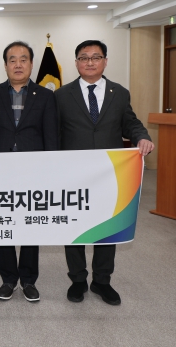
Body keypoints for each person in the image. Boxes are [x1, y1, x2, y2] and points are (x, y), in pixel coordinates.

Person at [55, 40, 154, 306]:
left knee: (107, 227)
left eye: (96, 57)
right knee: (74, 227)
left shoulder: (119, 93)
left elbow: (130, 123)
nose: (90, 62)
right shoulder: (61, 95)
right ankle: (77, 279)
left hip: (109, 174)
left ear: (105, 61)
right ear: (76, 62)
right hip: (73, 174)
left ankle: (102, 281)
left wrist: (142, 137)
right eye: (83, 57)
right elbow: (54, 132)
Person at [0, 41, 58, 303]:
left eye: (23, 59)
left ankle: (28, 280)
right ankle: (8, 279)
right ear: (5, 65)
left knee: (30, 225)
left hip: (33, 170)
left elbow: (51, 135)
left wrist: (51, 171)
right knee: (4, 224)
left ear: (31, 64)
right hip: (0, 170)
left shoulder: (46, 96)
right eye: (12, 60)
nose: (18, 64)